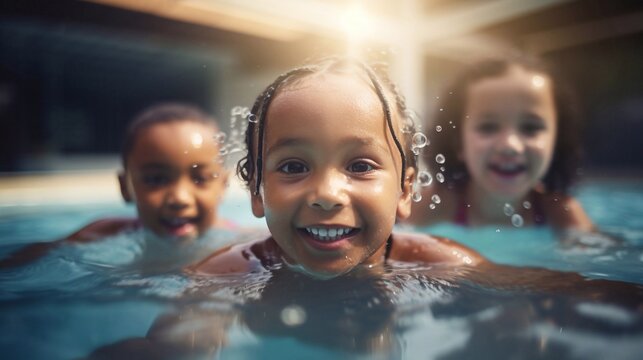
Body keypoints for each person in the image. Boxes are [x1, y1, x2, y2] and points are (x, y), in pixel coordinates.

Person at [0, 103, 231, 268]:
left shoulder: (240, 244)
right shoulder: (102, 234)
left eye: (200, 178)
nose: (180, 198)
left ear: (223, 185)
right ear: (125, 187)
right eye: (156, 179)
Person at [406, 55, 595, 232]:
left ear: (557, 141)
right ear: (458, 143)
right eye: (488, 127)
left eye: (530, 128)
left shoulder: (560, 213)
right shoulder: (436, 205)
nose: (509, 146)